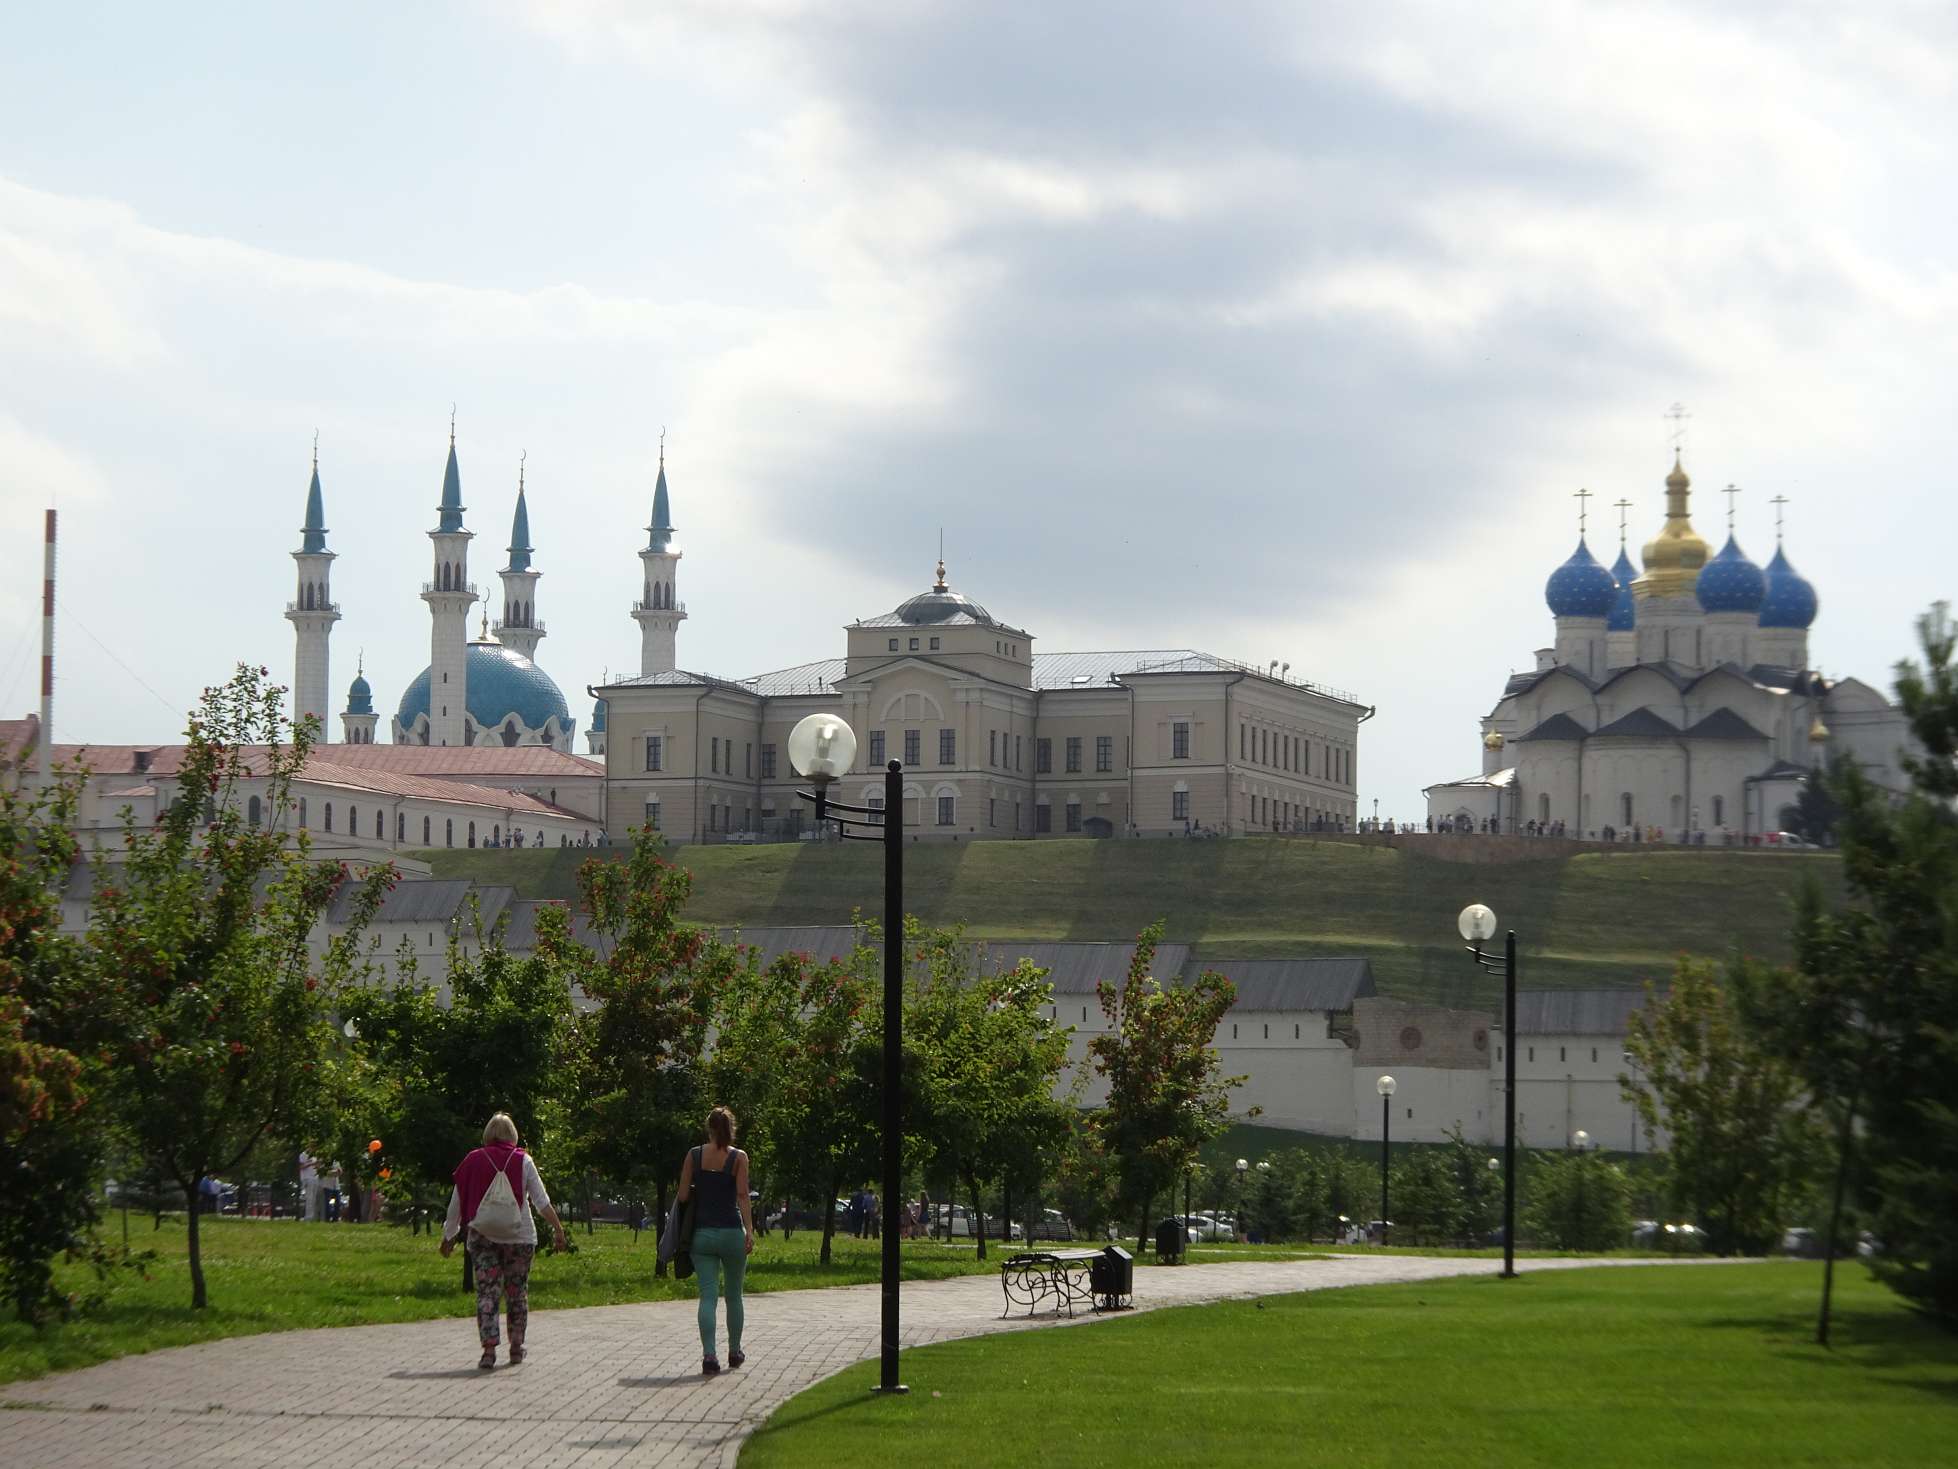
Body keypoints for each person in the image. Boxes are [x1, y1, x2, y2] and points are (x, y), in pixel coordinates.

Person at [440, 1112, 567, 1371]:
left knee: (487, 1292)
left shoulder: (473, 1160)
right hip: (520, 1237)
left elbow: (457, 1202)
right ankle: (516, 1347)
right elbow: (541, 1201)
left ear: (488, 1134)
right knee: (517, 1293)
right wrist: (558, 1229)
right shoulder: (523, 1160)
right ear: (512, 1135)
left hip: (483, 1235)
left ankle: (488, 1351)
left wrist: (448, 1235)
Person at [676, 1105, 755, 1375]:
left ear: (708, 1128)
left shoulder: (694, 1155)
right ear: (731, 1129)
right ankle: (735, 1351)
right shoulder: (739, 1157)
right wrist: (750, 1230)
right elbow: (743, 1196)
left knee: (707, 1296)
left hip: (702, 1235)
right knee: (734, 1295)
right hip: (733, 1232)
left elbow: (683, 1196)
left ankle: (709, 1355)